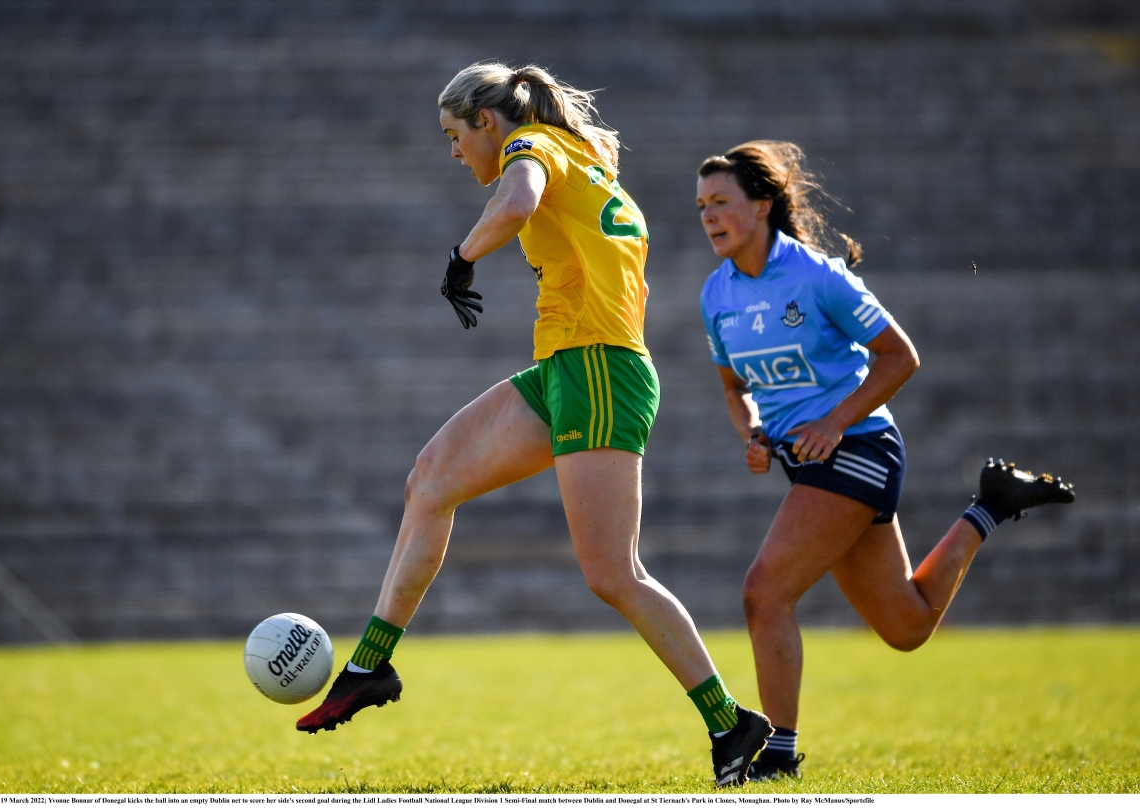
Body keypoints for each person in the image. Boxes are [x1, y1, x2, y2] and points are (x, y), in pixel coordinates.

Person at [296, 63, 773, 788]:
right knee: (429, 480)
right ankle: (370, 664)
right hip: (564, 368)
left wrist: (461, 257)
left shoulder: (531, 149)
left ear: (488, 122)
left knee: (614, 573)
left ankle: (731, 721)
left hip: (598, 370)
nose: (454, 153)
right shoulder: (580, 152)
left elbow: (518, 202)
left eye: (455, 136)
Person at [694, 141, 1076, 782]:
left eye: (721, 202)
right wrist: (754, 435)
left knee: (764, 595)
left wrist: (832, 421)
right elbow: (735, 390)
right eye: (701, 205)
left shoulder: (818, 276)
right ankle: (992, 504)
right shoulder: (716, 295)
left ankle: (780, 754)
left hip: (860, 448)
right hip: (807, 461)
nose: (708, 216)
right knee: (906, 624)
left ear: (761, 207)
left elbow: (900, 356)